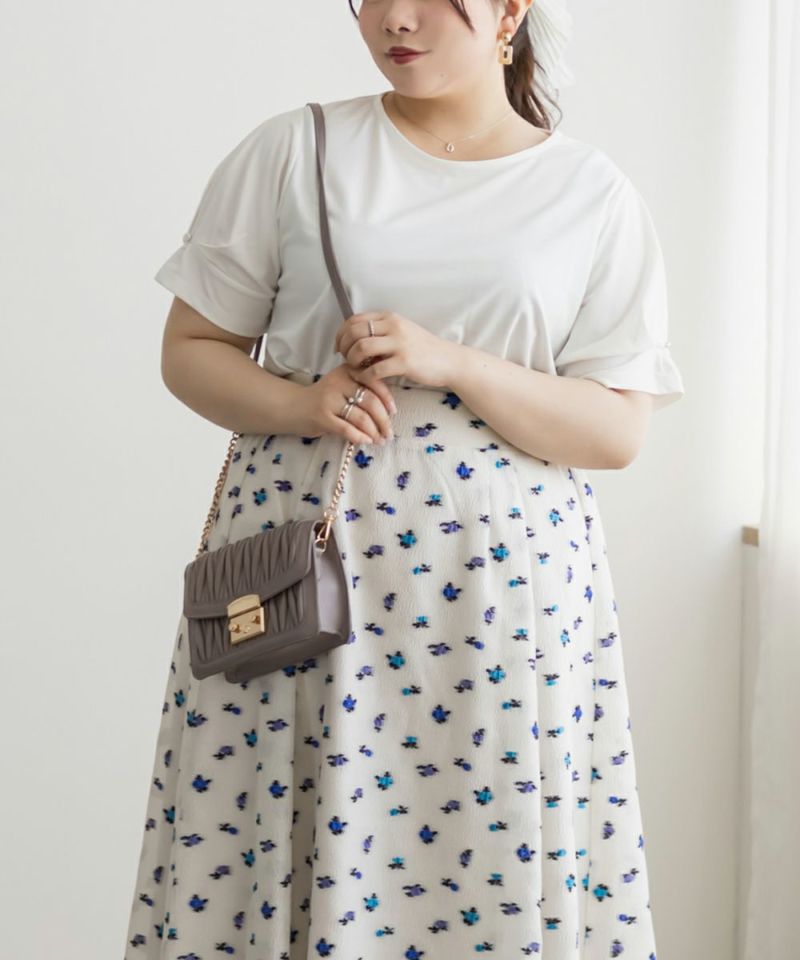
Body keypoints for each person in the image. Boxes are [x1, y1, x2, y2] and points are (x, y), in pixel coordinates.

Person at [123, 0, 685, 957]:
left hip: (499, 600)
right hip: (304, 578)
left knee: (485, 844)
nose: (396, 18)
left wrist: (454, 362)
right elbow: (191, 351)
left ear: (510, 11)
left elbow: (617, 429)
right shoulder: (296, 151)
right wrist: (305, 405)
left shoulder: (588, 191)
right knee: (275, 828)